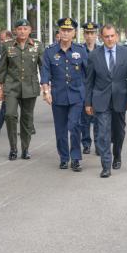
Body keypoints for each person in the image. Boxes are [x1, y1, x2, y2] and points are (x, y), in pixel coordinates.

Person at [85, 25, 127, 177]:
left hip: (120, 99)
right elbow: (89, 81)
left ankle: (117, 155)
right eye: (106, 36)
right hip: (100, 99)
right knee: (102, 133)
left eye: (112, 36)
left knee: (119, 132)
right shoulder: (94, 55)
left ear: (116, 36)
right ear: (101, 38)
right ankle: (106, 165)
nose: (109, 39)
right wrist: (88, 103)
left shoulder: (126, 53)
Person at [41, 17, 88, 171]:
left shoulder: (81, 50)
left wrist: (89, 95)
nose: (66, 33)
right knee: (60, 129)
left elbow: (88, 74)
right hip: (58, 95)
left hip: (77, 95)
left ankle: (75, 158)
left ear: (74, 33)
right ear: (59, 32)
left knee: (74, 126)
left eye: (69, 31)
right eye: (63, 30)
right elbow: (45, 74)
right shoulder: (50, 51)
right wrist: (46, 92)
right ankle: (63, 157)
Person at [0, 18, 42, 161]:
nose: (22, 31)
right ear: (15, 31)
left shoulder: (37, 45)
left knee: (27, 119)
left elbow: (43, 66)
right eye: (19, 29)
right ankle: (13, 148)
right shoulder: (7, 46)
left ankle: (25, 149)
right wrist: (0, 87)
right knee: (9, 115)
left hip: (30, 87)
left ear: (30, 30)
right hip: (12, 87)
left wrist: (46, 85)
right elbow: (2, 68)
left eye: (25, 29)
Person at [80, 21, 101, 155]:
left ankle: (99, 144)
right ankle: (86, 144)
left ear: (96, 34)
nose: (89, 36)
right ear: (84, 34)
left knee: (98, 119)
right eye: (87, 33)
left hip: (98, 89)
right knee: (85, 120)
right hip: (83, 89)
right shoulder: (78, 50)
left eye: (92, 33)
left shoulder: (101, 50)